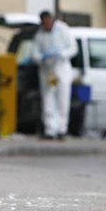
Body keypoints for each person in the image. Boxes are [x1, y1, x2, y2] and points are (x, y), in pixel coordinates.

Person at [30, 10, 79, 139]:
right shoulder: (39, 35)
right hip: (47, 69)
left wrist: (61, 53)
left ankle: (62, 129)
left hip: (61, 67)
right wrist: (42, 57)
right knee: (48, 99)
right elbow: (34, 53)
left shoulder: (63, 30)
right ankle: (50, 129)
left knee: (63, 98)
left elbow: (73, 48)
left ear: (51, 19)